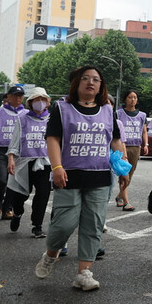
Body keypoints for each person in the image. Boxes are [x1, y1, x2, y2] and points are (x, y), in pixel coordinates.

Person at [34, 66, 126, 291]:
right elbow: (53, 139)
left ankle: (84, 273)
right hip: (69, 176)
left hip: (100, 177)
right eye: (85, 78)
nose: (91, 82)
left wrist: (124, 171)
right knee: (64, 224)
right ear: (77, 83)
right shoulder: (62, 108)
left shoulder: (107, 110)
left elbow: (115, 141)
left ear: (101, 86)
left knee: (93, 225)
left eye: (96, 79)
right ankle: (50, 254)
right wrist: (56, 167)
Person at [6, 87, 52, 237]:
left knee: (43, 194)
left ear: (47, 102)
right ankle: (17, 213)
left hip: (45, 163)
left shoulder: (51, 120)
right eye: (37, 100)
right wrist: (11, 159)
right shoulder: (22, 119)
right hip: (25, 162)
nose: (40, 103)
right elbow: (15, 141)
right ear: (30, 103)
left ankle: (37, 226)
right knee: (20, 195)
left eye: (43, 99)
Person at [0, 85, 27, 222]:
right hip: (1, 150)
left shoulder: (25, 113)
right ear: (8, 97)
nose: (18, 98)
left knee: (12, 182)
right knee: (0, 179)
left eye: (21, 96)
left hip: (18, 152)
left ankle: (7, 208)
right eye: (15, 95)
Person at [115, 90, 148, 211]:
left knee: (130, 174)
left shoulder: (142, 115)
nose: (132, 99)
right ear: (125, 99)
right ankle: (126, 202)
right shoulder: (118, 114)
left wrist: (146, 144)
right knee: (124, 174)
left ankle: (119, 196)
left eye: (135, 97)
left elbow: (144, 131)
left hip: (135, 147)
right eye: (130, 97)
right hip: (122, 146)